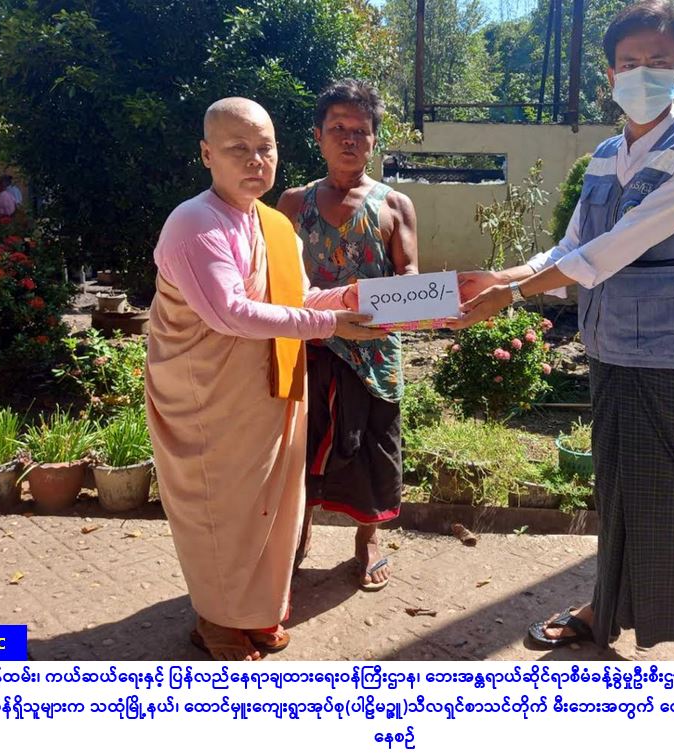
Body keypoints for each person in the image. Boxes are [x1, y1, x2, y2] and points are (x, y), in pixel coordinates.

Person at [457, 0, 674, 661]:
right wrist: (500, 274)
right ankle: (603, 610)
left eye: (658, 61)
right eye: (629, 62)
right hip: (609, 348)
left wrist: (512, 293)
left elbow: (616, 246)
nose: (642, 73)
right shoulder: (606, 156)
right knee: (618, 493)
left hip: (671, 357)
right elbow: (572, 247)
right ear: (609, 74)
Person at [145, 97, 380, 661]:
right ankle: (216, 620)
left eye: (265, 148)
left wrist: (351, 301)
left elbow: (295, 299)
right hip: (206, 396)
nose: (255, 160)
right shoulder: (194, 223)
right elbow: (230, 313)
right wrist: (331, 323)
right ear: (207, 154)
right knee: (219, 507)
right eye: (238, 149)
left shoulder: (273, 224)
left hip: (268, 387)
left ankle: (253, 613)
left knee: (268, 506)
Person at [278, 79, 419, 591]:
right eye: (338, 127)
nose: (349, 138)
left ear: (374, 140)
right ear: (318, 135)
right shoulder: (293, 204)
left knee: (373, 447)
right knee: (299, 446)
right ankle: (297, 531)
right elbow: (275, 275)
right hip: (307, 346)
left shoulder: (394, 205)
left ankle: (368, 539)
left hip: (372, 353)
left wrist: (387, 302)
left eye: (360, 130)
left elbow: (409, 277)